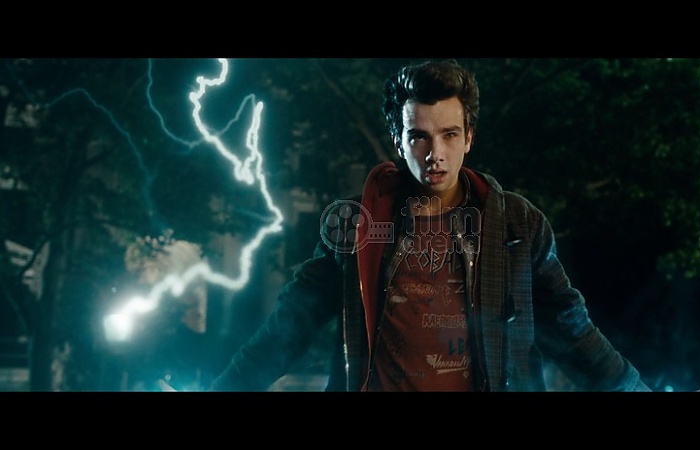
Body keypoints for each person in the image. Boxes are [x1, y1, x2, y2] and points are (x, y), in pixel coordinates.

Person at [209, 59, 650, 392]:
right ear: (398, 141)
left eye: (449, 134)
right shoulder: (358, 224)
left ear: (469, 137)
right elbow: (290, 326)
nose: (435, 153)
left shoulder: (516, 224)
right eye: (418, 136)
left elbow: (573, 334)